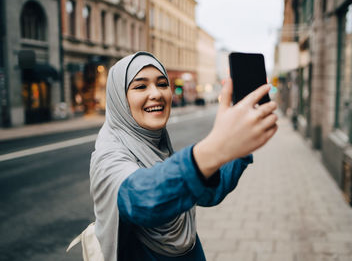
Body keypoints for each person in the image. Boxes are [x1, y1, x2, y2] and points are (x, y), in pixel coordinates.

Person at [89, 51, 278, 261]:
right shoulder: (107, 157)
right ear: (118, 99)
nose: (156, 94)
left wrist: (239, 148)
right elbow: (139, 199)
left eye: (162, 84)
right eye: (140, 86)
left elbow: (208, 191)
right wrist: (215, 147)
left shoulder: (159, 148)